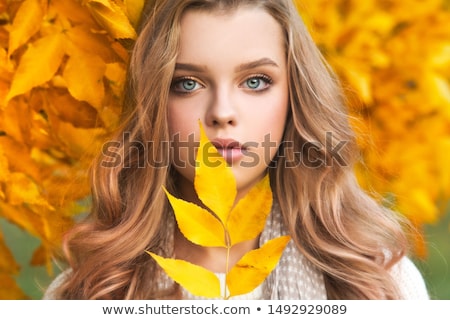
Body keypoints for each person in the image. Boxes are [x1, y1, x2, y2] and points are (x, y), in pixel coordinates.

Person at [44, 0, 429, 299]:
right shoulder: (91, 291)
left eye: (256, 81)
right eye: (188, 83)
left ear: (295, 94)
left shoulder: (376, 284)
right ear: (152, 101)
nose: (222, 113)